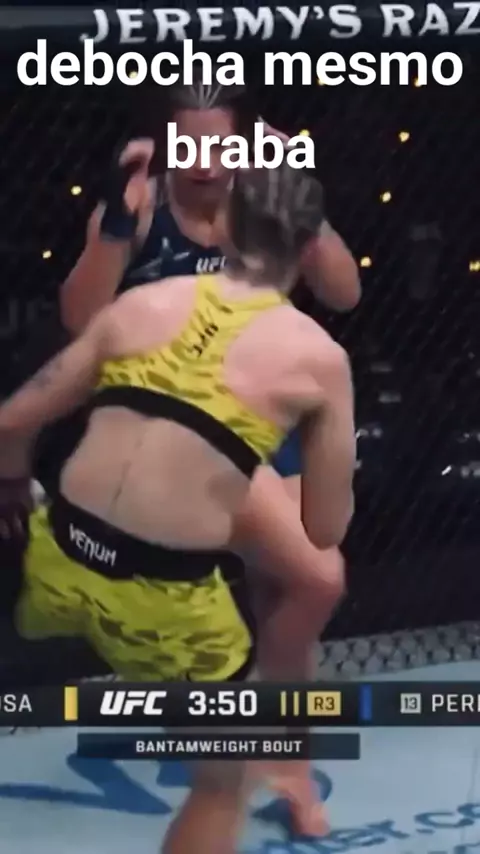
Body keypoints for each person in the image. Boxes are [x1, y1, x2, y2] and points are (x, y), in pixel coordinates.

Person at [12, 77, 358, 832]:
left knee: (298, 589)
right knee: (317, 574)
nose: (204, 163)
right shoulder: (141, 207)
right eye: (188, 145)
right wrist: (115, 225)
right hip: (167, 430)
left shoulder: (262, 201)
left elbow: (343, 291)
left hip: (258, 428)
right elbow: (81, 320)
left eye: (220, 146)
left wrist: (300, 199)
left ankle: (285, 757)